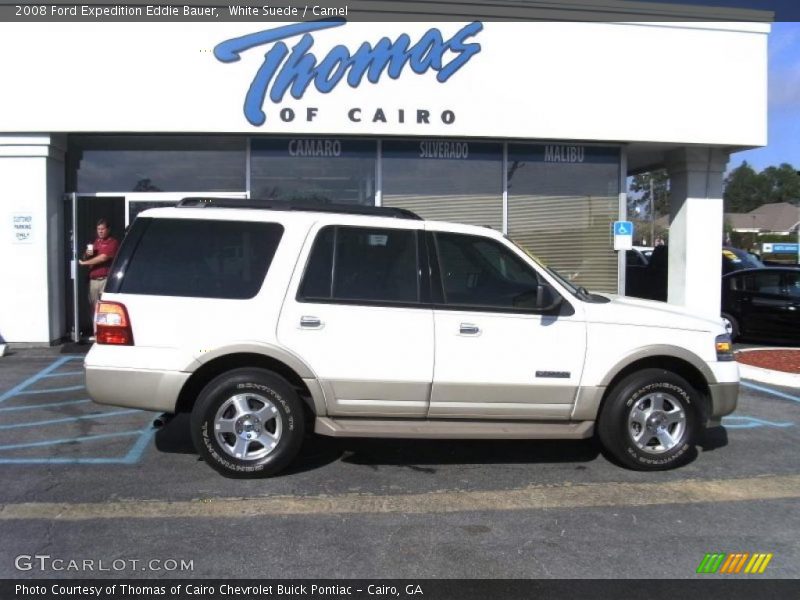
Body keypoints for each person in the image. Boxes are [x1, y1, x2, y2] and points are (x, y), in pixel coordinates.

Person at [78, 218, 120, 320]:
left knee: (105, 307)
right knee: (94, 307)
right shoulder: (95, 242)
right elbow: (85, 256)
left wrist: (84, 263)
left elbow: (103, 258)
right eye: (98, 229)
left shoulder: (112, 242)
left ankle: (104, 330)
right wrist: (86, 255)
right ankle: (95, 330)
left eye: (102, 229)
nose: (100, 231)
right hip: (93, 281)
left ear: (108, 230)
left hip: (104, 280)